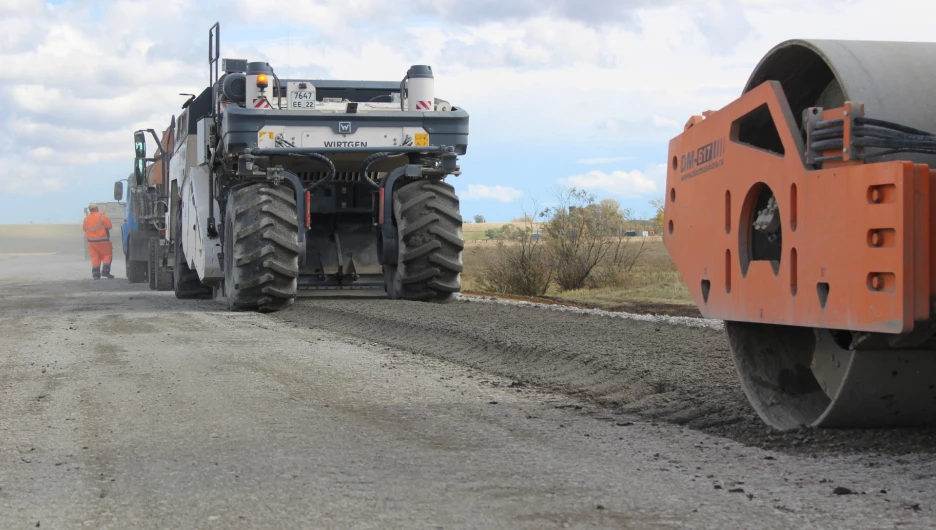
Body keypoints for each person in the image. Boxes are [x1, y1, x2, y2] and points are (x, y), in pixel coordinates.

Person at [83, 203, 115, 279]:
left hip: (91, 242)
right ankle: (105, 271)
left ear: (90, 210)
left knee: (94, 257)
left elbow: (84, 229)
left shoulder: (86, 219)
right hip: (103, 240)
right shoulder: (102, 216)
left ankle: (95, 275)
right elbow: (109, 226)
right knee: (107, 255)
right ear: (97, 208)